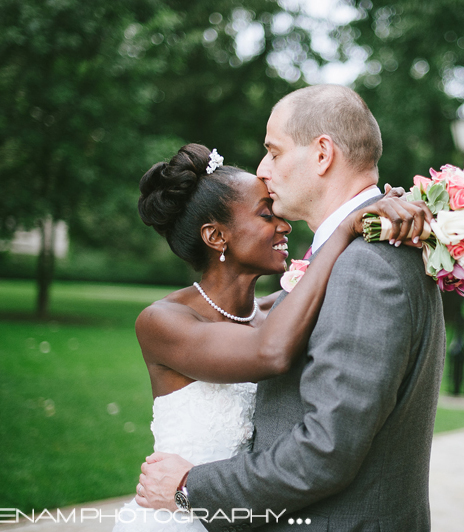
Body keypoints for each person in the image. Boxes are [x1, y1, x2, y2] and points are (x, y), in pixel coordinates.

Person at [137, 85, 446, 531]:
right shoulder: (360, 255)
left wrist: (189, 488)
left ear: (322, 154)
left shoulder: (365, 266)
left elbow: (325, 450)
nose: (264, 169)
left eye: (274, 152)